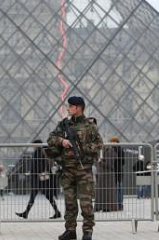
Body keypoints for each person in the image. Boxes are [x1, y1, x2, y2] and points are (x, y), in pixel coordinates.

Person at [47, 96, 103, 240]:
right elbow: (50, 139)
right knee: (69, 202)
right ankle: (70, 230)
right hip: (67, 169)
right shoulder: (64, 124)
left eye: (70, 106)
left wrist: (83, 148)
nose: (68, 108)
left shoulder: (89, 125)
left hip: (84, 169)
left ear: (78, 108)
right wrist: (62, 140)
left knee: (86, 202)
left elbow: (99, 144)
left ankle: (87, 231)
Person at [15, 139, 61, 219]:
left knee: (38, 196)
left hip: (39, 179)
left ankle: (26, 213)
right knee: (47, 196)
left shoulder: (38, 152)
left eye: (33, 145)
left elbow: (38, 166)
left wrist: (34, 173)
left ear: (37, 145)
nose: (32, 147)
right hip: (43, 178)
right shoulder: (43, 152)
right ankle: (57, 212)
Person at [94, 144, 118, 212]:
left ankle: (107, 207)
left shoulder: (110, 151)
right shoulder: (98, 150)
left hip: (108, 175)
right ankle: (99, 206)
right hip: (101, 174)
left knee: (108, 191)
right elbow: (96, 162)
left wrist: (100, 162)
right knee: (100, 191)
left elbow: (110, 165)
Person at [109, 137, 125, 210]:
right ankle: (120, 205)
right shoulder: (121, 149)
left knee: (115, 189)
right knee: (119, 189)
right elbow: (123, 162)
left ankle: (115, 204)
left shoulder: (112, 149)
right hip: (119, 171)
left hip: (113, 172)